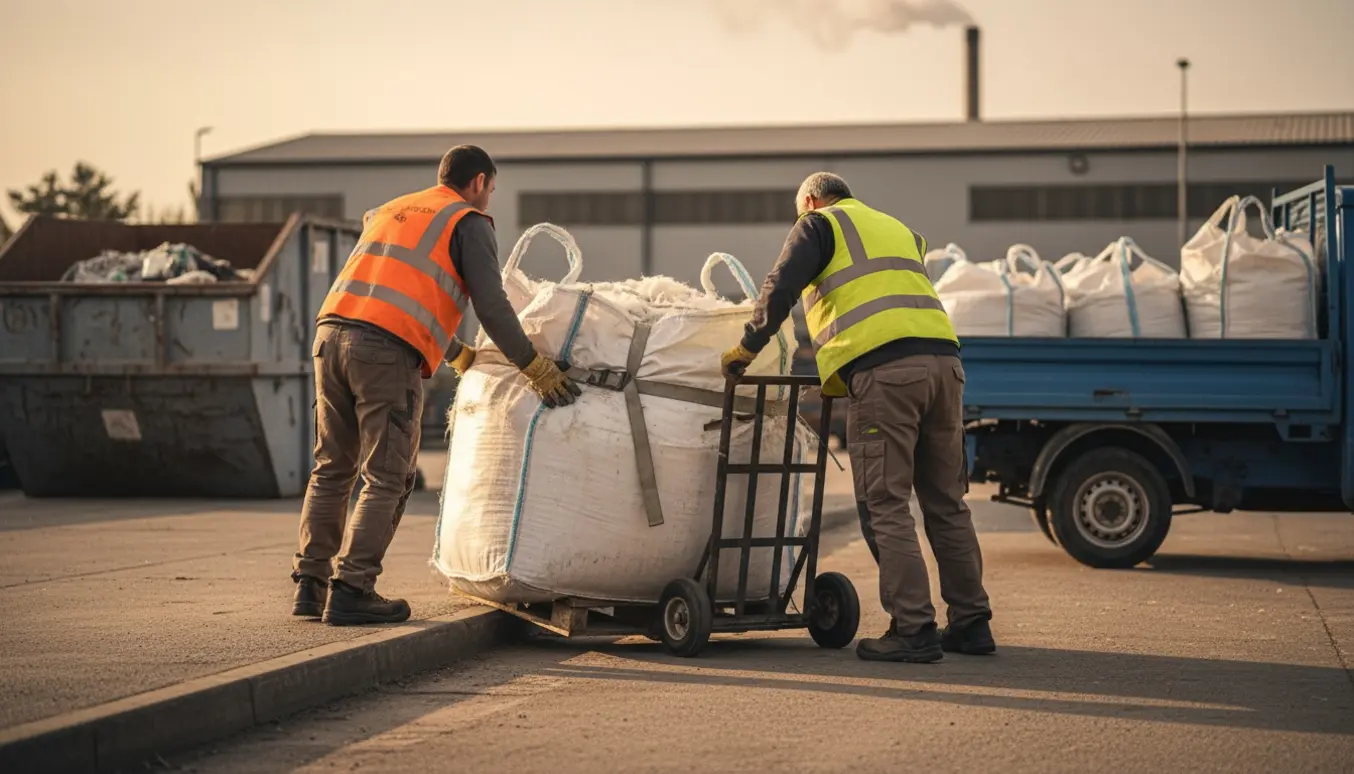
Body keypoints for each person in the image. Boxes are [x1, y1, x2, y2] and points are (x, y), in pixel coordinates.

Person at [292, 145, 581, 626]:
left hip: (330, 336)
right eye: (491, 188)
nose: (489, 197)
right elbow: (492, 306)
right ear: (480, 182)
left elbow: (402, 294)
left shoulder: (393, 211)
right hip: (384, 353)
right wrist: (534, 366)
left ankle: (311, 585)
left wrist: (456, 353)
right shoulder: (468, 222)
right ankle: (353, 588)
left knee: (332, 467)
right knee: (388, 475)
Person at [721, 172, 993, 662]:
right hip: (945, 366)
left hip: (887, 373)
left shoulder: (818, 224)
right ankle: (972, 623)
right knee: (946, 502)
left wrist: (746, 347)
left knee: (884, 503)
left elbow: (779, 287)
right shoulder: (897, 229)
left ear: (810, 199)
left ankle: (913, 629)